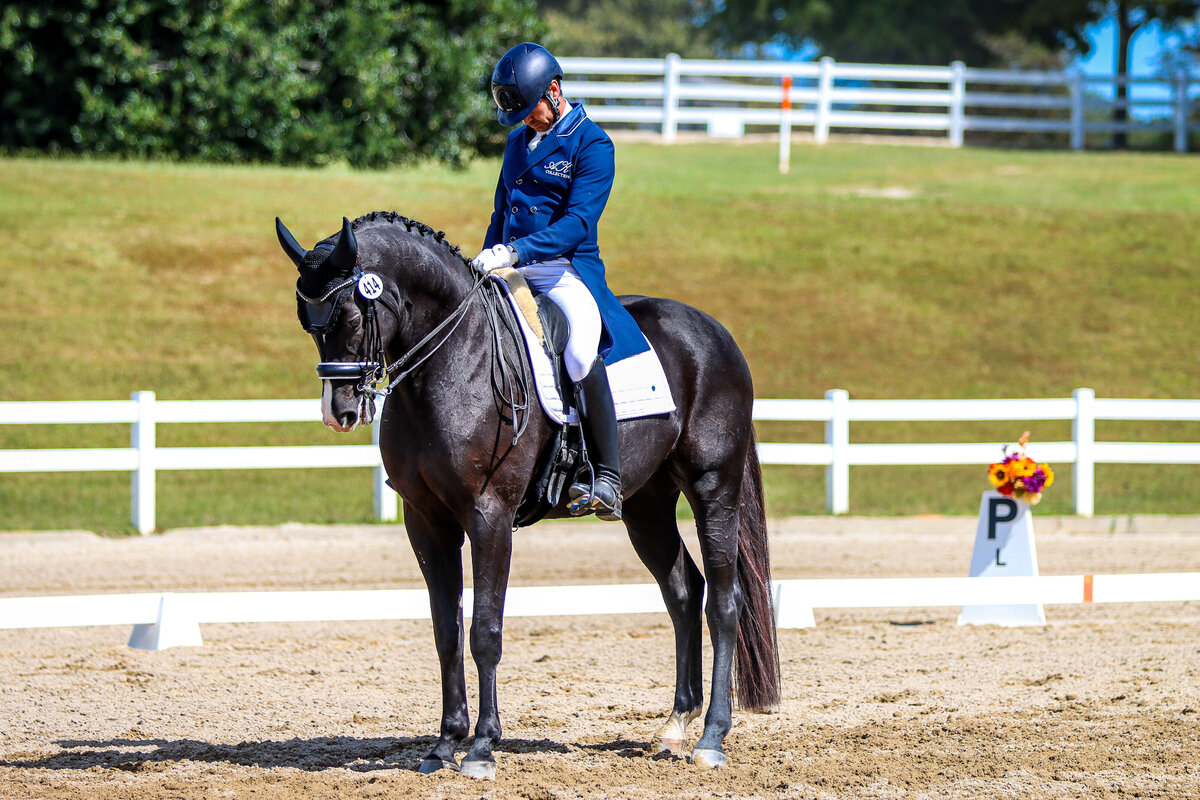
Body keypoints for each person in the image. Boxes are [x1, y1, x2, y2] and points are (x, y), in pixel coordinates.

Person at [471, 42, 649, 522]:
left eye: (532, 110)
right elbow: (500, 212)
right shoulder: (517, 143)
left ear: (554, 89)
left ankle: (607, 477)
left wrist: (516, 252)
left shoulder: (592, 144)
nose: (527, 120)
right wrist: (486, 260)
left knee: (578, 347)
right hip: (513, 266)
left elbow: (577, 224)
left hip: (565, 270)